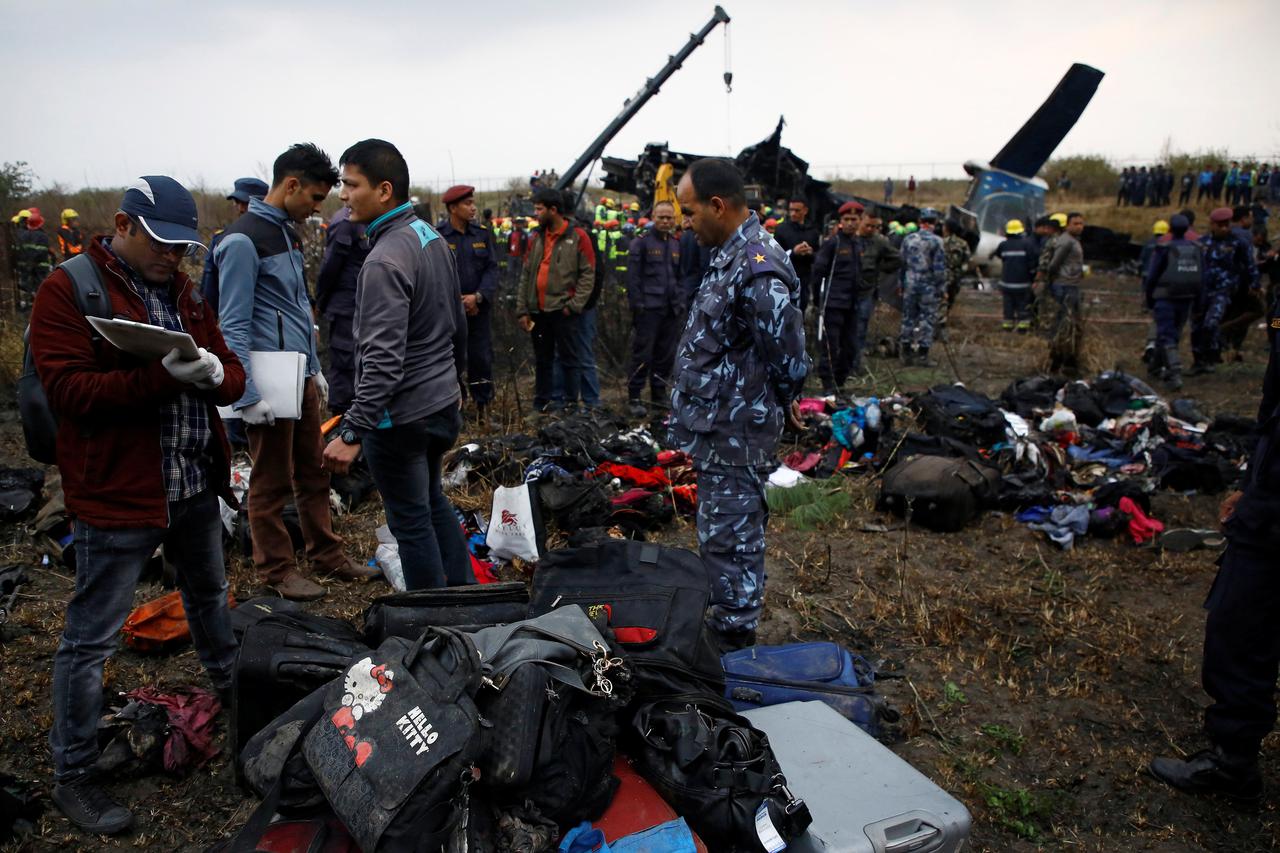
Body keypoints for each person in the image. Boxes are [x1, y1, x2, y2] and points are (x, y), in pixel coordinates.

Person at [30, 176, 245, 834]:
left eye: (182, 249)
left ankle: (238, 701)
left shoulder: (182, 291)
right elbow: (67, 391)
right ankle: (75, 773)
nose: (172, 259)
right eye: (161, 245)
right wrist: (159, 377)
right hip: (117, 490)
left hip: (189, 483)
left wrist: (215, 375)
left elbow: (233, 371)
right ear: (123, 224)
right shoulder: (70, 289)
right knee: (91, 634)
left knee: (209, 598)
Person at [216, 144, 374, 601]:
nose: (318, 207)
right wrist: (246, 394)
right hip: (266, 381)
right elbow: (233, 323)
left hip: (299, 374)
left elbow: (297, 308)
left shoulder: (287, 234)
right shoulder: (243, 241)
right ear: (290, 186)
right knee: (269, 480)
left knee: (314, 469)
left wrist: (316, 367)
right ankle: (277, 569)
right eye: (314, 197)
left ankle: (327, 554)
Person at [1148, 287, 1279, 803]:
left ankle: (1231, 761)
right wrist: (1250, 482)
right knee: (1238, 627)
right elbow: (1274, 402)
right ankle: (1233, 759)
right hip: (1269, 497)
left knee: (1241, 624)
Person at [671, 158, 808, 650]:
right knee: (721, 535)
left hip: (737, 429)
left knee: (732, 539)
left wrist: (788, 396)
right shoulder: (730, 255)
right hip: (720, 425)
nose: (686, 224)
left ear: (717, 205)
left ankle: (733, 641)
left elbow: (787, 352)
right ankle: (728, 619)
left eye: (689, 213)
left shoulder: (756, 264)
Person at [322, 139, 470, 590]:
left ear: (384, 190)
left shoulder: (384, 260)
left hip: (402, 418)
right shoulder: (429, 237)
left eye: (351, 184)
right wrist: (455, 383)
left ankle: (437, 623)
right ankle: (467, 597)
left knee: (410, 522)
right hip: (440, 404)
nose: (343, 195)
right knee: (431, 502)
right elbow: (456, 324)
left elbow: (383, 361)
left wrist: (352, 431)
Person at [514, 188, 595, 413]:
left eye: (539, 209)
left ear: (553, 210)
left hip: (563, 311)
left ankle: (570, 406)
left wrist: (574, 306)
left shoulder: (578, 236)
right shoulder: (537, 238)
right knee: (543, 361)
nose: (535, 213)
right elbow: (527, 273)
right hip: (538, 311)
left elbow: (588, 274)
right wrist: (523, 309)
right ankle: (542, 405)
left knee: (570, 359)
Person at [437, 185, 499, 422]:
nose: (473, 208)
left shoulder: (482, 234)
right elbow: (437, 273)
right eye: (467, 204)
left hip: (478, 310)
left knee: (481, 358)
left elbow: (492, 268)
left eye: (473, 203)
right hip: (451, 312)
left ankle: (483, 406)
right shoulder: (439, 235)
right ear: (453, 208)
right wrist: (457, 300)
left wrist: (478, 296)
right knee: (451, 359)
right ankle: (455, 409)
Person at [625, 200, 683, 417]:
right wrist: (637, 306)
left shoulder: (676, 245)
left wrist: (681, 300)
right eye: (661, 217)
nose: (665, 221)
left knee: (665, 356)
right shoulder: (641, 243)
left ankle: (658, 395)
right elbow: (632, 279)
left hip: (671, 310)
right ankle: (634, 397)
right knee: (642, 355)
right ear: (653, 218)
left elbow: (680, 277)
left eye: (669, 217)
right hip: (648, 310)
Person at [315, 204, 368, 415]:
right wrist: (321, 301)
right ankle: (340, 423)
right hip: (346, 307)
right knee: (346, 367)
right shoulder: (346, 223)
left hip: (366, 307)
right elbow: (329, 269)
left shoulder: (368, 217)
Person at [1191, 207, 1256, 374]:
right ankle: (1199, 360)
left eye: (1227, 224)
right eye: (1220, 225)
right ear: (1212, 225)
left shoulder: (1237, 242)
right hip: (1202, 290)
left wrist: (1254, 284)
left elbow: (1249, 265)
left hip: (1223, 290)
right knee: (1197, 326)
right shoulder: (1202, 242)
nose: (1224, 228)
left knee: (1212, 322)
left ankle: (1214, 354)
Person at [1142, 215, 1203, 391]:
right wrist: (1199, 302)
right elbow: (1202, 279)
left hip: (1165, 297)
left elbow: (1152, 276)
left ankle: (1174, 372)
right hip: (1187, 298)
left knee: (1167, 334)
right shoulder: (1196, 248)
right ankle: (1155, 367)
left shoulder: (1164, 248)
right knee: (1171, 333)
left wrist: (1149, 297)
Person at [810, 201, 864, 395]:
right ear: (840, 221)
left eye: (854, 219)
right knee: (830, 347)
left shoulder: (857, 244)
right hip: (832, 304)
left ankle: (839, 383)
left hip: (851, 305)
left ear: (860, 221)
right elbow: (818, 272)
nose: (850, 223)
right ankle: (828, 387)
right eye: (846, 219)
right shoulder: (834, 243)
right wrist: (818, 300)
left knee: (850, 348)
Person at [199, 177, 269, 313]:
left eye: (247, 203)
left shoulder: (278, 239)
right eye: (237, 202)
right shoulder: (222, 239)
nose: (242, 208)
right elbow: (210, 288)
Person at [897, 208, 947, 366]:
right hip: (928, 285)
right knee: (927, 318)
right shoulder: (937, 241)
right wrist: (942, 288)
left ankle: (905, 353)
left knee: (908, 317)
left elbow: (901, 264)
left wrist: (900, 283)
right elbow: (939, 268)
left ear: (920, 222)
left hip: (910, 282)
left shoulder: (908, 239)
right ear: (934, 223)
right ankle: (923, 355)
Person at [1044, 211, 1086, 373]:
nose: (1079, 227)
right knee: (1064, 322)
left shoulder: (1074, 241)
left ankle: (1067, 358)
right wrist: (1056, 280)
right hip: (1064, 285)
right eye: (1075, 224)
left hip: (1072, 284)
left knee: (1072, 323)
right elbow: (1054, 264)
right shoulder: (1066, 241)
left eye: (1081, 223)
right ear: (1067, 225)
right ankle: (1057, 357)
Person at [773, 198, 821, 310]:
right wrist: (793, 252)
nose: (793, 213)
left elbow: (819, 256)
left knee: (801, 309)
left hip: (804, 279)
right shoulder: (782, 229)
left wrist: (810, 252)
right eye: (791, 210)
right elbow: (775, 255)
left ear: (805, 210)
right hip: (785, 279)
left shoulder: (813, 231)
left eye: (797, 210)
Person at [993, 219, 1036, 332]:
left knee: (1008, 307)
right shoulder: (1027, 244)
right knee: (1023, 307)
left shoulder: (1003, 245)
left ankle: (1007, 327)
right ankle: (1022, 328)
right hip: (1023, 284)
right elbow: (1032, 264)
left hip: (1006, 284)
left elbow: (999, 255)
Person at [16, 208, 55, 308]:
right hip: (40, 265)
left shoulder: (23, 235)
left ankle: (28, 303)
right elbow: (43, 251)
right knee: (40, 285)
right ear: (40, 224)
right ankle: (40, 304)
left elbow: (20, 250)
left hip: (26, 265)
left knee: (26, 284)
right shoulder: (42, 236)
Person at [940, 219, 972, 327]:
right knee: (950, 299)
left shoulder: (941, 242)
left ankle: (941, 323)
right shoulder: (963, 243)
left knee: (942, 299)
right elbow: (966, 261)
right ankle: (945, 317)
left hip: (943, 275)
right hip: (956, 276)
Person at [679, 210, 712, 305]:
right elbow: (704, 264)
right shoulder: (701, 236)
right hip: (698, 288)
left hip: (685, 287)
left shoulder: (684, 236)